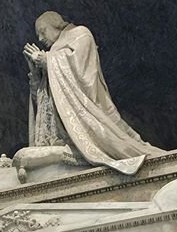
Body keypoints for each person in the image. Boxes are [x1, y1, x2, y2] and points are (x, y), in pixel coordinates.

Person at [22, 11, 161, 176]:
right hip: (62, 134)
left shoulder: (80, 34)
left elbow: (84, 76)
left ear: (55, 24)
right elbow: (45, 104)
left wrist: (47, 61)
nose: (39, 38)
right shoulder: (53, 54)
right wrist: (37, 75)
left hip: (92, 113)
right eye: (37, 34)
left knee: (123, 143)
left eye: (42, 31)